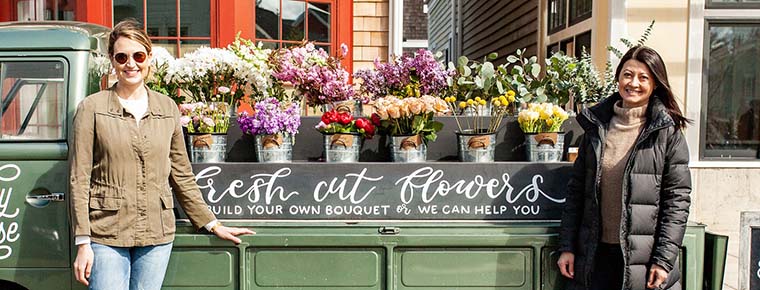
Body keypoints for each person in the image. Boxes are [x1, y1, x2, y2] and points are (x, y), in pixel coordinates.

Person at [69, 19, 254, 290]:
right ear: (113, 60)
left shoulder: (167, 107)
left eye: (138, 55)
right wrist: (83, 241)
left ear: (148, 58)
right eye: (122, 57)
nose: (130, 63)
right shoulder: (91, 109)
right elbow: (79, 178)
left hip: (156, 232)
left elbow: (181, 173)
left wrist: (211, 223)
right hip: (106, 232)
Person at [556, 46, 692, 290]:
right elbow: (577, 193)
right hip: (595, 258)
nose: (634, 83)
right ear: (618, 77)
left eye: (643, 77)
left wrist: (663, 261)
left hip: (644, 262)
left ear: (655, 84)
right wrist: (567, 247)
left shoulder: (667, 132)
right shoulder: (596, 127)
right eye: (628, 75)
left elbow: (677, 202)